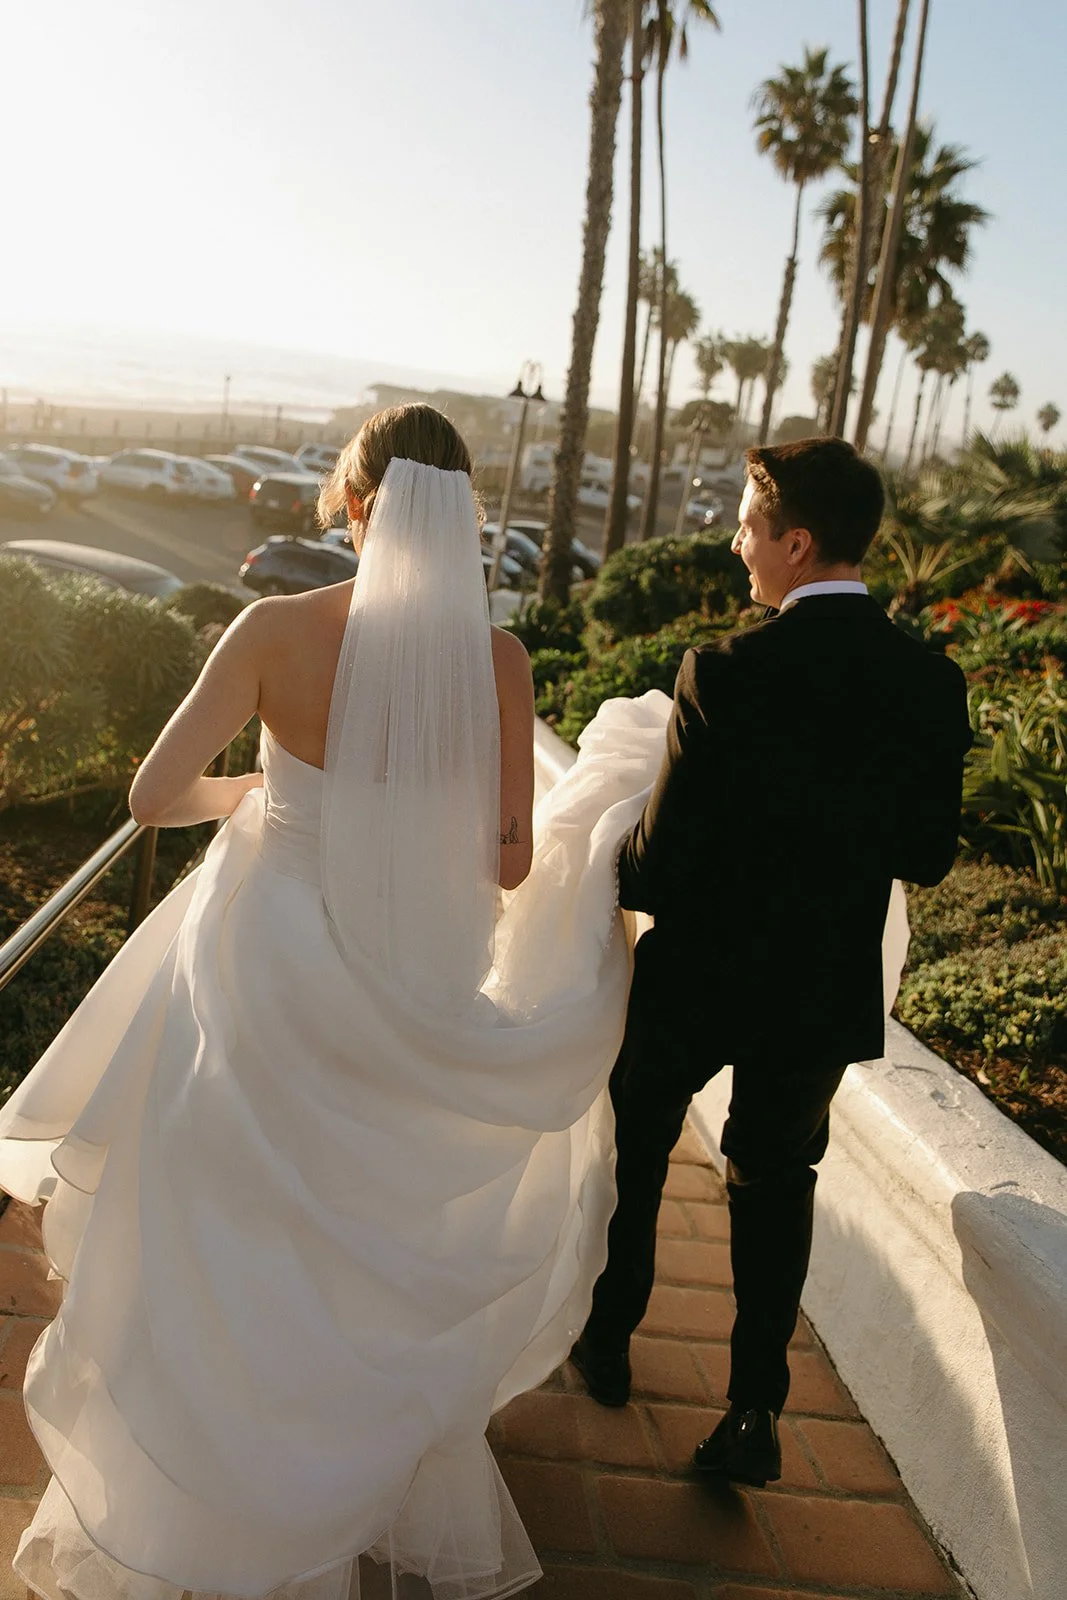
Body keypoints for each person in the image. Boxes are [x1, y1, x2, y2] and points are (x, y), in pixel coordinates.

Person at [0, 404, 674, 1600]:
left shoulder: (271, 630)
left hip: (263, 961)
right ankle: (337, 1469)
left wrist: (265, 797)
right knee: (363, 1225)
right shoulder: (499, 662)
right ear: (458, 513)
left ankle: (207, 1463)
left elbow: (155, 796)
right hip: (407, 975)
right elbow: (510, 862)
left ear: (353, 503)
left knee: (227, 1209)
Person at [570, 437, 973, 1489]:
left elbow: (654, 866)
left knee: (641, 1147)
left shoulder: (725, 671)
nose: (735, 542)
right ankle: (751, 1408)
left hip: (699, 969)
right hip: (820, 983)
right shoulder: (928, 682)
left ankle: (608, 1339)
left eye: (749, 526)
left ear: (796, 543)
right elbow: (925, 852)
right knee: (773, 1175)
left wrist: (602, 849)